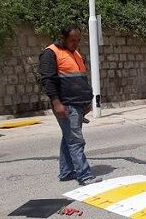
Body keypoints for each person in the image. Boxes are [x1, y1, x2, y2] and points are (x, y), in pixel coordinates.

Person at [39, 25, 101, 186]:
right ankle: (85, 176)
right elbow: (48, 81)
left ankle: (66, 172)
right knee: (76, 140)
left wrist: (87, 101)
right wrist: (56, 102)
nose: (76, 43)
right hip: (65, 104)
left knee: (69, 139)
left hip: (78, 104)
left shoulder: (75, 54)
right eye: (73, 40)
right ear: (63, 37)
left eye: (78, 40)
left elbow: (82, 79)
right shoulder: (50, 53)